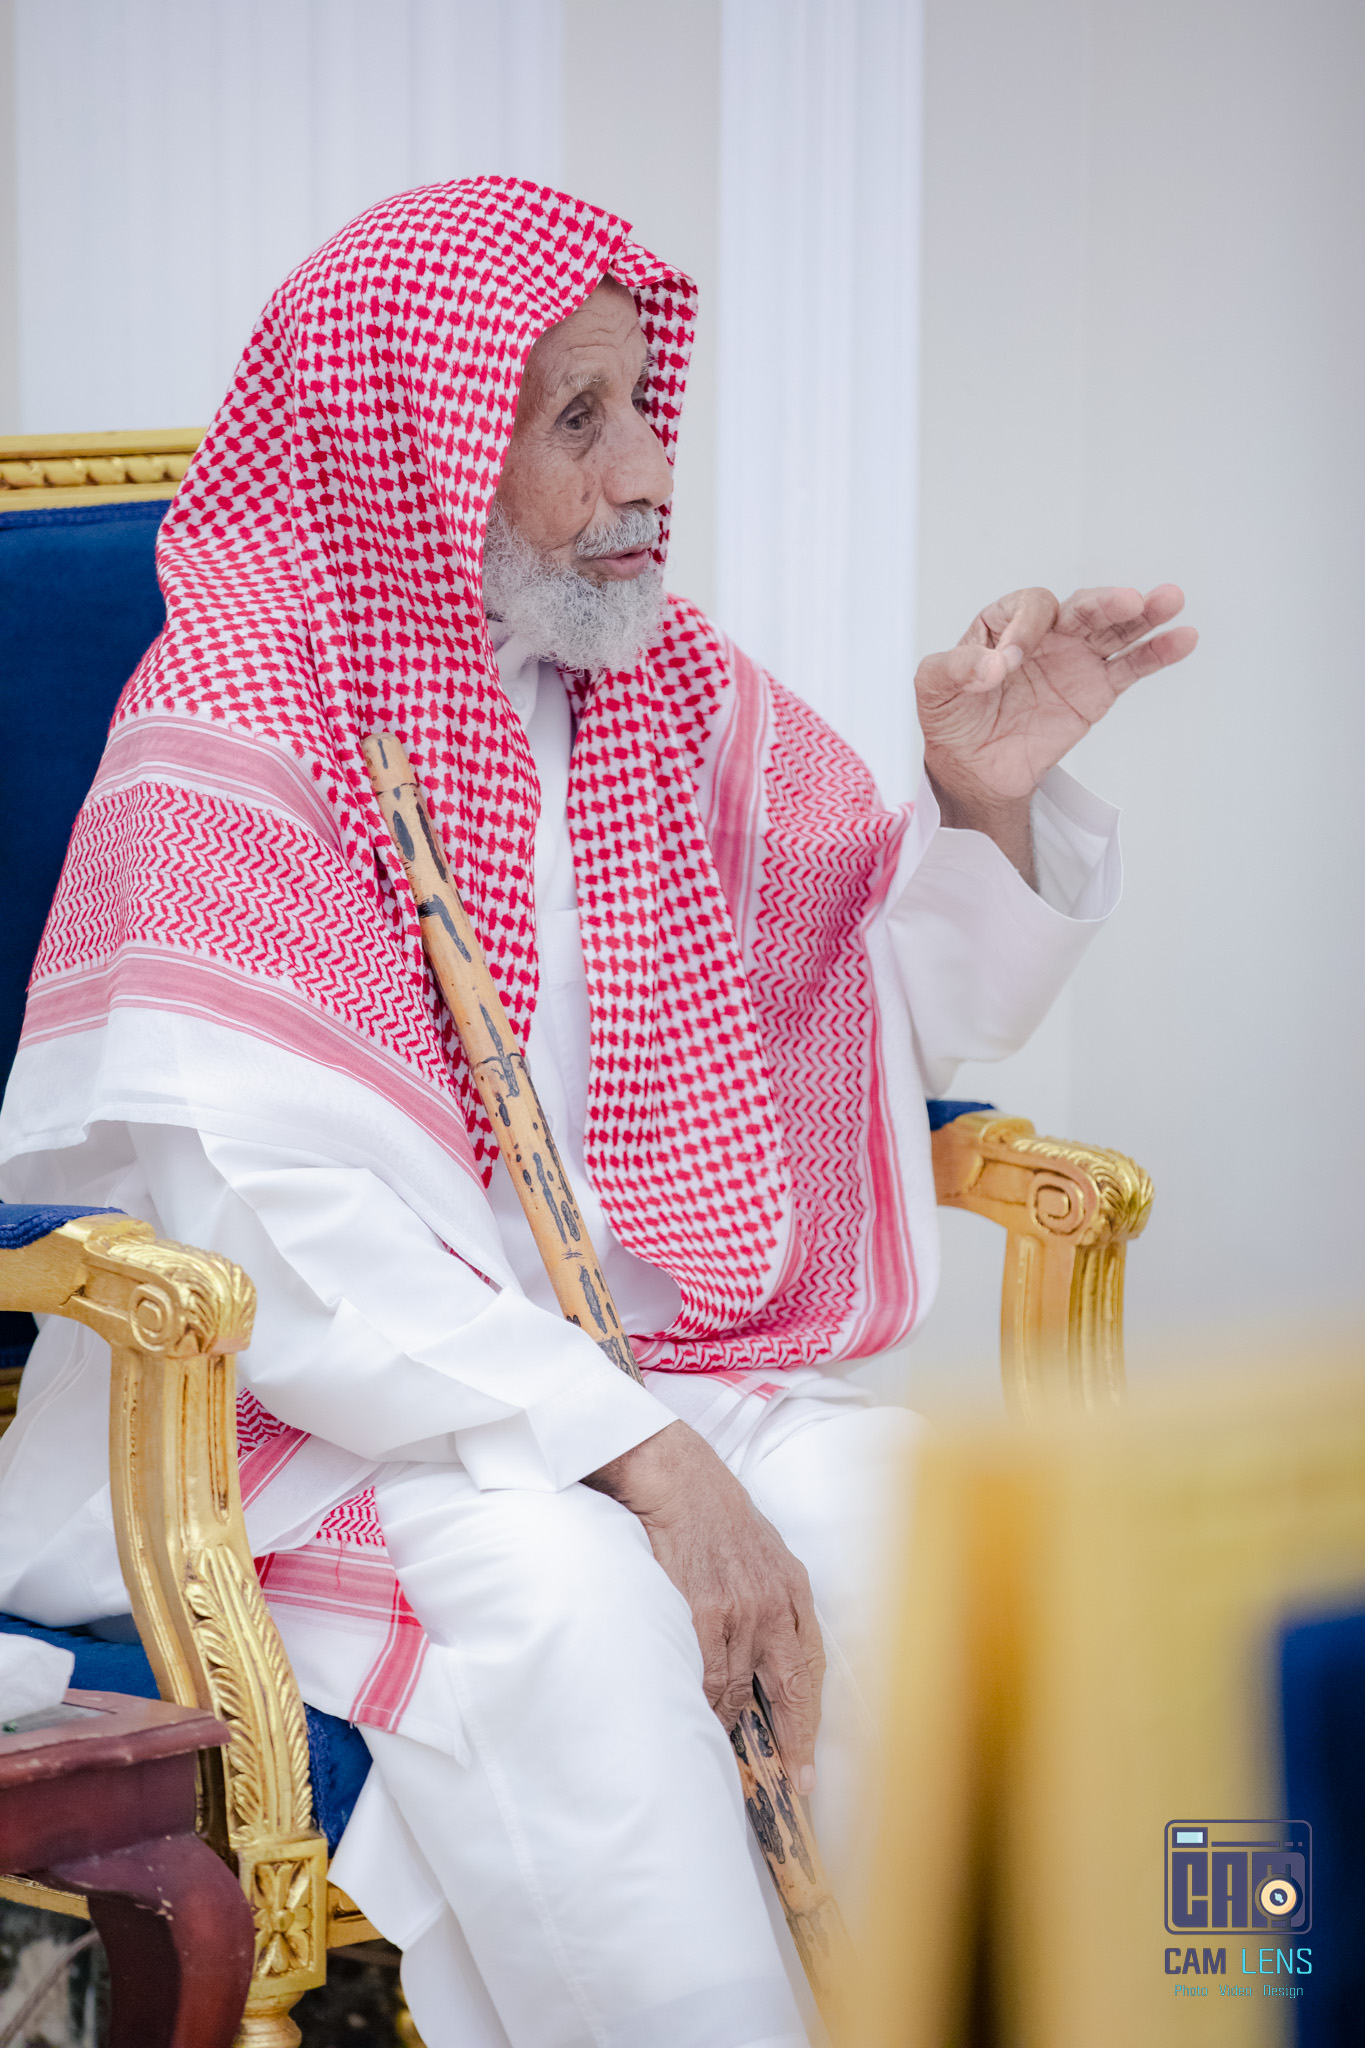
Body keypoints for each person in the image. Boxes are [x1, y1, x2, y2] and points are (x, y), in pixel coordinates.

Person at [0, 178, 1194, 2048]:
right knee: (565, 1597)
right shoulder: (238, 718)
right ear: (423, 450)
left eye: (646, 405)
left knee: (914, 1528)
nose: (648, 471)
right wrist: (636, 1458)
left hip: (655, 1369)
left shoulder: (667, 692)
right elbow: (273, 1234)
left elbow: (860, 1033)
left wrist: (979, 802)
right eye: (577, 418)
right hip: (312, 1425)